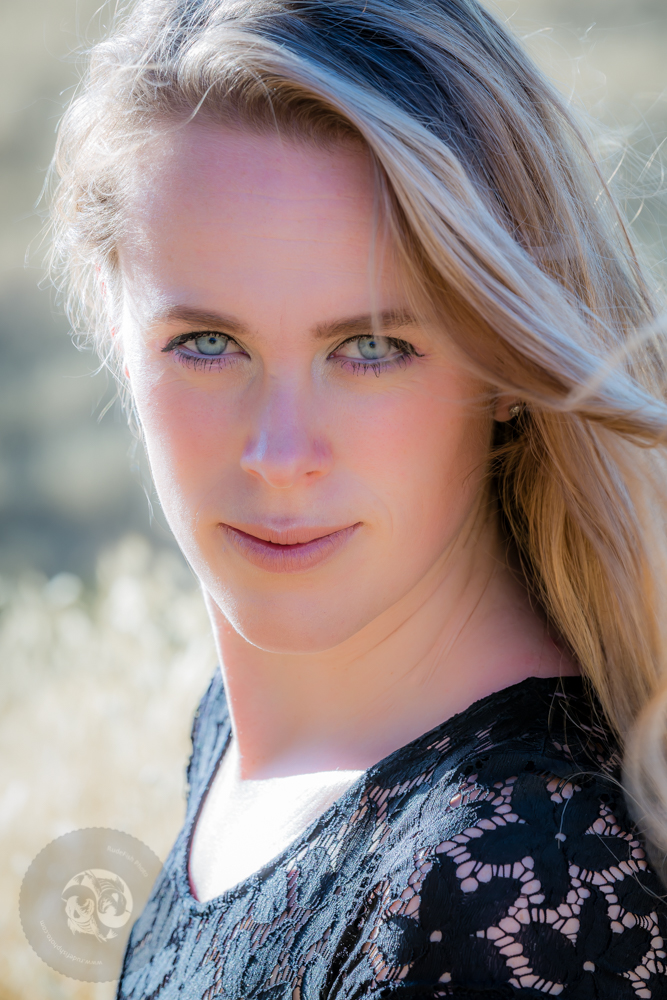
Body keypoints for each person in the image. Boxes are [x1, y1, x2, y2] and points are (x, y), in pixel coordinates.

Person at [50, 0, 667, 995]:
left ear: (505, 358)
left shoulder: (509, 889)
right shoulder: (255, 720)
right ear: (114, 328)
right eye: (206, 343)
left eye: (371, 347)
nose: (278, 455)